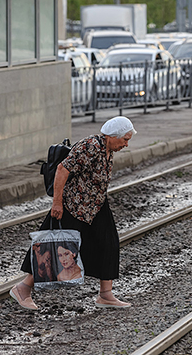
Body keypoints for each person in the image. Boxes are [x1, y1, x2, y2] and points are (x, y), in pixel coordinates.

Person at [10, 116, 136, 310]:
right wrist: (57, 203)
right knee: (54, 247)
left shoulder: (107, 148)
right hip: (73, 205)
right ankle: (23, 288)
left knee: (108, 243)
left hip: (95, 205)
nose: (126, 144)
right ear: (112, 136)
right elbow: (62, 169)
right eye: (125, 139)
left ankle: (105, 295)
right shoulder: (90, 146)